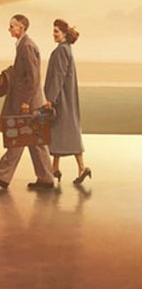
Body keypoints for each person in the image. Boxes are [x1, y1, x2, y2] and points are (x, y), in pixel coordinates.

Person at [0, 14, 55, 191]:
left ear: (21, 27)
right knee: (31, 141)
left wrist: (25, 102)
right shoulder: (24, 45)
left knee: (21, 139)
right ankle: (44, 178)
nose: (10, 29)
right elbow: (25, 73)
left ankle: (3, 176)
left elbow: (33, 77)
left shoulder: (27, 46)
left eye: (12, 26)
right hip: (32, 101)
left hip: (29, 103)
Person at [47, 19, 89, 184]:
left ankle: (81, 167)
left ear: (64, 34)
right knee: (59, 131)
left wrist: (50, 98)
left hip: (61, 98)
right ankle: (55, 168)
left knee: (66, 131)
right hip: (64, 97)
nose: (54, 34)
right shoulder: (65, 49)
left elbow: (58, 76)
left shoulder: (61, 51)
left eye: (56, 31)